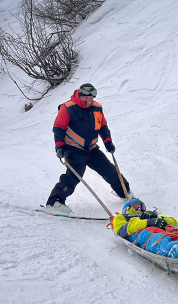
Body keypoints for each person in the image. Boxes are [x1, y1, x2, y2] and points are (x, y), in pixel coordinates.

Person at [45, 83, 133, 215]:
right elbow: (58, 128)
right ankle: (54, 202)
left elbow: (102, 126)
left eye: (92, 97)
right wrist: (59, 146)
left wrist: (108, 142)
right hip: (74, 149)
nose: (90, 100)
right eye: (87, 97)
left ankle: (125, 193)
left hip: (92, 149)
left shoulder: (97, 108)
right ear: (80, 95)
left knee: (110, 170)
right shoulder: (68, 108)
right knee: (73, 176)